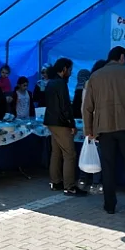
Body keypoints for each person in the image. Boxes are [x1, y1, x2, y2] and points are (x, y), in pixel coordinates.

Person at [83, 46, 125, 215]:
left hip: (104, 128)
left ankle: (109, 205)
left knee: (108, 167)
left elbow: (87, 107)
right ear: (120, 57)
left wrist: (89, 129)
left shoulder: (95, 76)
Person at [44, 58, 87, 196]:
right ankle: (70, 186)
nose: (70, 72)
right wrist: (71, 124)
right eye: (69, 70)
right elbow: (65, 106)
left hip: (51, 122)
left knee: (56, 153)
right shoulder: (61, 83)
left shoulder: (50, 82)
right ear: (64, 69)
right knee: (69, 154)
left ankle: (55, 182)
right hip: (61, 123)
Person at [78, 60, 108, 189]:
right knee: (98, 153)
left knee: (90, 151)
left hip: (90, 121)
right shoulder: (99, 84)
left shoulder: (88, 84)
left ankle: (83, 180)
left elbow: (84, 106)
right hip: (98, 123)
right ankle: (96, 182)